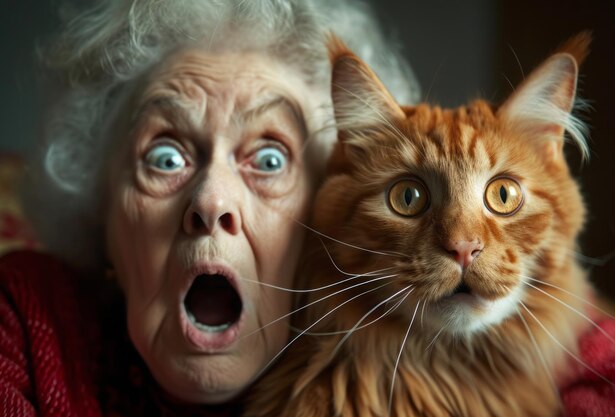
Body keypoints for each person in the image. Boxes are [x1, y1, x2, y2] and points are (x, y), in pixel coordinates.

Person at [0, 0, 419, 416]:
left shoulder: (406, 375)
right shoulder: (25, 319)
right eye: (166, 158)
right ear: (102, 211)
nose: (211, 200)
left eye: (270, 160)